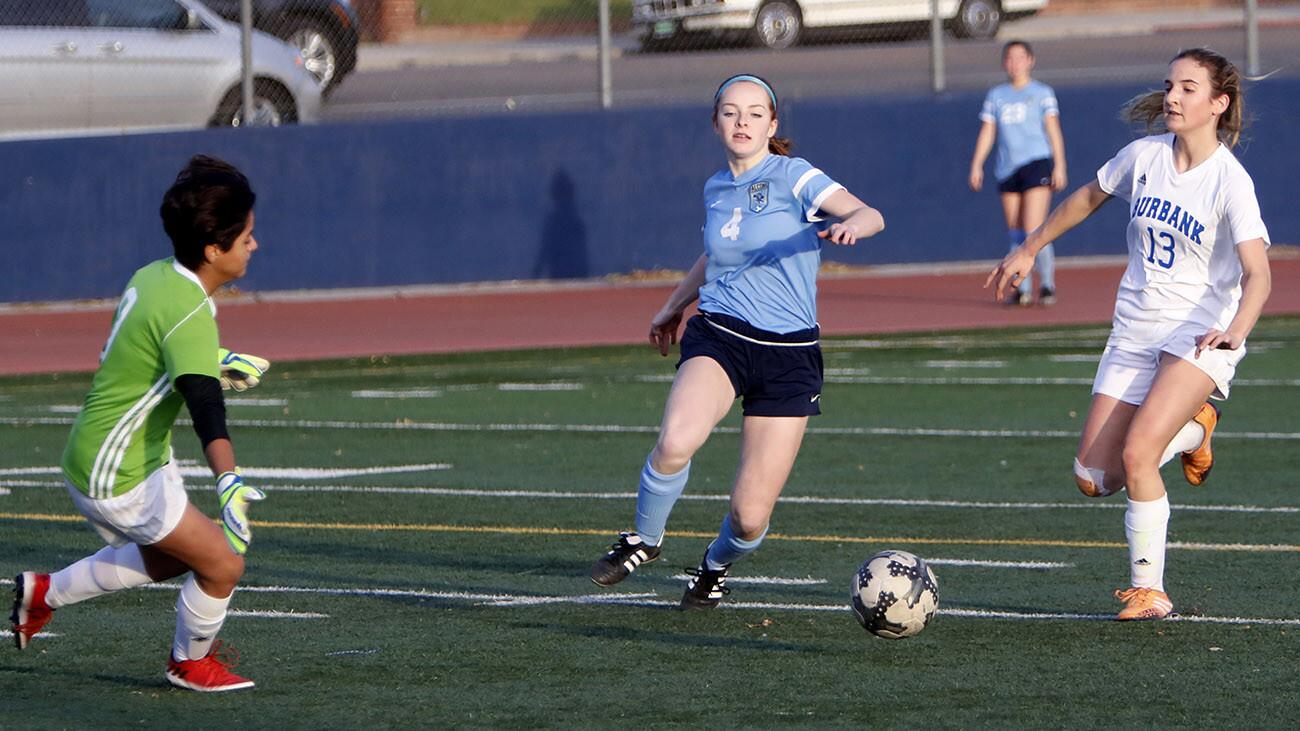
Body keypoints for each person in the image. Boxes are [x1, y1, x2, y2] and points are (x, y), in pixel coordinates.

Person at [986, 49, 1271, 621]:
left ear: (1218, 104)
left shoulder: (1230, 182)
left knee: (1141, 453)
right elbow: (1087, 197)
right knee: (1095, 478)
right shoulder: (1142, 157)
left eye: (1189, 88)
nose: (1172, 96)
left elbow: (1258, 274)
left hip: (1198, 335)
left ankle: (1150, 591)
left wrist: (1234, 332)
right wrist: (1029, 247)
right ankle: (1195, 432)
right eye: (1170, 85)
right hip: (1134, 331)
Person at [588, 74, 885, 610]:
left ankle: (714, 567)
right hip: (720, 335)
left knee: (749, 516)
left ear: (773, 125)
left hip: (790, 358)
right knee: (676, 440)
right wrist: (674, 305)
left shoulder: (794, 176)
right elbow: (715, 255)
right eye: (730, 112)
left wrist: (853, 227)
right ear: (716, 123)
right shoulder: (715, 188)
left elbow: (869, 213)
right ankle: (644, 539)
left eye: (754, 113)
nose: (742, 122)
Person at [10, 155, 273, 691]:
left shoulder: (155, 276)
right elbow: (204, 408)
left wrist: (213, 361)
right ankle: (189, 664)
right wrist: (229, 479)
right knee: (223, 565)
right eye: (245, 236)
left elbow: (139, 351)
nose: (255, 244)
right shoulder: (190, 313)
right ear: (213, 250)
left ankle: (44, 593)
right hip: (119, 471)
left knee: (176, 554)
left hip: (115, 448)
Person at [970, 40, 1068, 306]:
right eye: (1009, 59)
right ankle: (1021, 288)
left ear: (1030, 61)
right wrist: (977, 163)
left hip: (1036, 164)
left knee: (1034, 229)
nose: (1015, 64)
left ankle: (1047, 285)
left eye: (1020, 58)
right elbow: (988, 131)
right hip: (1007, 168)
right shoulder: (996, 96)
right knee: (1015, 233)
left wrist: (1060, 164)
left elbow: (1052, 129)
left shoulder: (1042, 93)